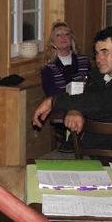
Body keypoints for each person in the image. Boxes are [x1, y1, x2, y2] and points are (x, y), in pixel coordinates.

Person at [32, 26, 112, 151]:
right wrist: (74, 111)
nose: (99, 59)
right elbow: (86, 99)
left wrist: (53, 101)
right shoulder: (97, 76)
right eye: (97, 53)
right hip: (85, 149)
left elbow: (103, 102)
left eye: (105, 52)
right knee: (35, 165)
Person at [38, 22, 90, 152]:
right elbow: (52, 92)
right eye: (59, 35)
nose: (63, 38)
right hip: (62, 106)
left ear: (71, 39)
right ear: (53, 41)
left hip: (85, 103)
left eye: (67, 34)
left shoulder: (84, 61)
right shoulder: (48, 67)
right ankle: (74, 144)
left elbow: (91, 85)